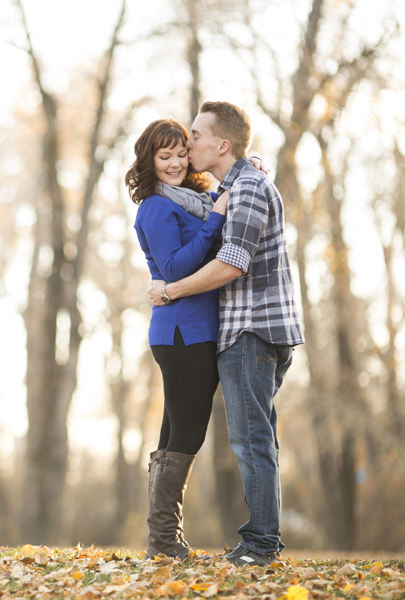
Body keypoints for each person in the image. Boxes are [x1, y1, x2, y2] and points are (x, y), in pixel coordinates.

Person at [147, 101, 304, 566]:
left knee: (251, 440)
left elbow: (232, 263)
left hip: (251, 330)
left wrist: (170, 290)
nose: (187, 143)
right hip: (245, 331)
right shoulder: (238, 184)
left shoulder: (249, 187)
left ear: (222, 144)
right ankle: (258, 539)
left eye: (195, 135)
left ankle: (259, 544)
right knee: (257, 438)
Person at [126, 118, 230, 560]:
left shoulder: (192, 199)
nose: (173, 163)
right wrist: (217, 220)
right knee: (188, 430)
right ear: (150, 160)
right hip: (182, 330)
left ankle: (163, 541)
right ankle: (164, 539)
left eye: (179, 153)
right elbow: (172, 269)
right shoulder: (156, 207)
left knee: (174, 431)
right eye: (163, 156)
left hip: (194, 328)